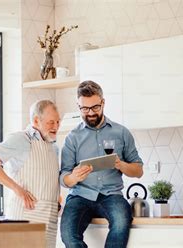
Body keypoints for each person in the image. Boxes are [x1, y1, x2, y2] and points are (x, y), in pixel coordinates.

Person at [60, 81, 143, 248]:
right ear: (79, 106)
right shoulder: (72, 138)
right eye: (85, 108)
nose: (90, 113)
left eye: (95, 107)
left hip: (111, 195)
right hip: (80, 196)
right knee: (68, 235)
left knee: (121, 222)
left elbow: (138, 170)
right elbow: (63, 178)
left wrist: (121, 165)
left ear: (103, 103)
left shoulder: (121, 133)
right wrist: (73, 177)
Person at [0, 100, 61, 248]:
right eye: (51, 122)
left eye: (57, 121)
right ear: (36, 120)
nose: (56, 126)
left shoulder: (53, 147)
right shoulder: (22, 139)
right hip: (25, 216)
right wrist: (17, 189)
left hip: (49, 219)